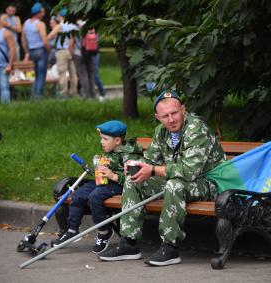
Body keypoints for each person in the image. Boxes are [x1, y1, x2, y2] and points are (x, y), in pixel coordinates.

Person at [99, 90, 226, 266]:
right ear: (158, 117)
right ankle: (129, 243)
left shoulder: (196, 128)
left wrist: (151, 170)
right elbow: (150, 160)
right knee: (134, 180)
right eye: (165, 116)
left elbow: (189, 171)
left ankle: (170, 248)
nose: (171, 119)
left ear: (183, 109)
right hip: (179, 180)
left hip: (207, 182)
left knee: (174, 185)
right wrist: (136, 164)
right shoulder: (162, 131)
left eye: (174, 113)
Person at [51, 120, 143, 254]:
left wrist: (112, 175)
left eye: (105, 139)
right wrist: (99, 168)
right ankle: (71, 230)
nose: (102, 142)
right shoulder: (110, 151)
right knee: (79, 194)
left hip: (121, 185)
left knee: (95, 197)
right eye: (101, 138)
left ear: (117, 140)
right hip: (106, 183)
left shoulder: (129, 154)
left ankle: (104, 231)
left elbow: (133, 179)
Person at [47, 8, 78, 98]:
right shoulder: (73, 26)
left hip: (62, 52)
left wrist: (48, 39)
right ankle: (73, 92)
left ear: (60, 16)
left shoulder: (60, 26)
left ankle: (63, 93)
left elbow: (50, 36)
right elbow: (73, 40)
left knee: (62, 74)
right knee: (73, 73)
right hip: (72, 51)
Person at [21, 2, 50, 99]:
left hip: (32, 51)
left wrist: (27, 52)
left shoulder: (26, 23)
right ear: (38, 13)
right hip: (41, 50)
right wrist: (49, 50)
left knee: (37, 74)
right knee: (42, 74)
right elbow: (44, 40)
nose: (44, 13)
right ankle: (38, 96)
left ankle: (33, 95)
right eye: (42, 11)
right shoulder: (40, 24)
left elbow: (23, 39)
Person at [72, 20, 95, 99]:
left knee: (83, 75)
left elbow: (71, 43)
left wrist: (72, 54)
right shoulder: (90, 27)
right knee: (90, 75)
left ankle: (87, 95)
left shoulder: (75, 28)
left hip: (78, 54)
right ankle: (93, 94)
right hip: (90, 53)